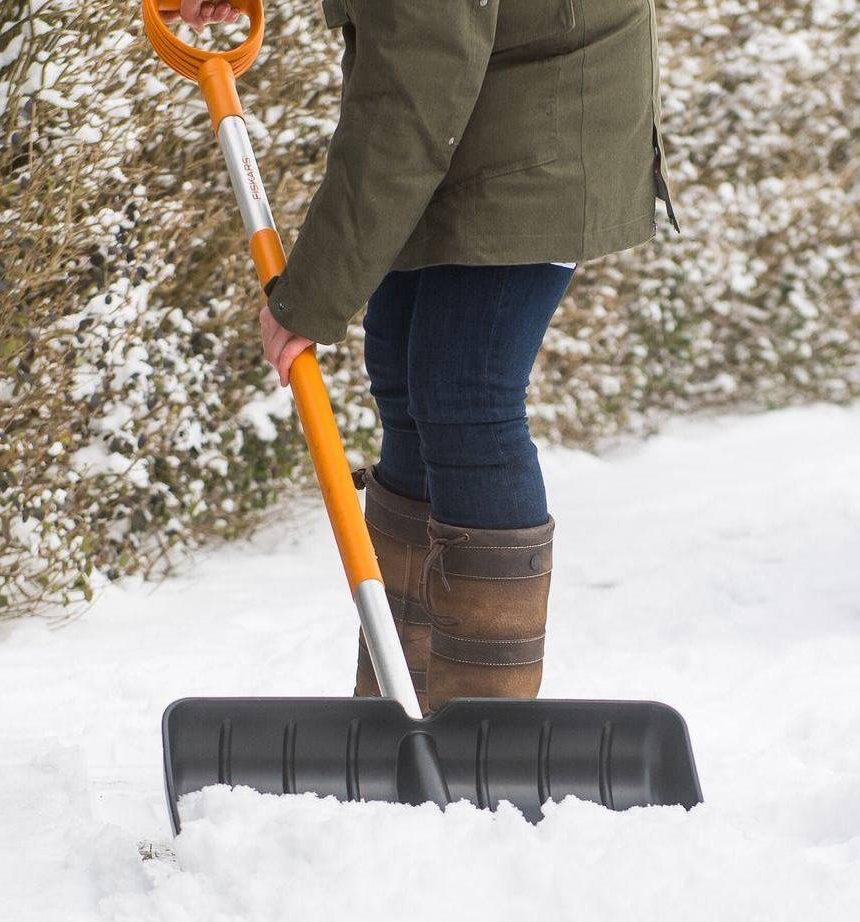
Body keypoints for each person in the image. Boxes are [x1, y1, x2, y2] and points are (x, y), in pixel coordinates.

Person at [168, 0, 674, 711]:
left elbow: (417, 78)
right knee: (408, 387)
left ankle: (485, 732)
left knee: (464, 392)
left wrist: (312, 295)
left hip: (541, 112)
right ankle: (402, 709)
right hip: (478, 99)